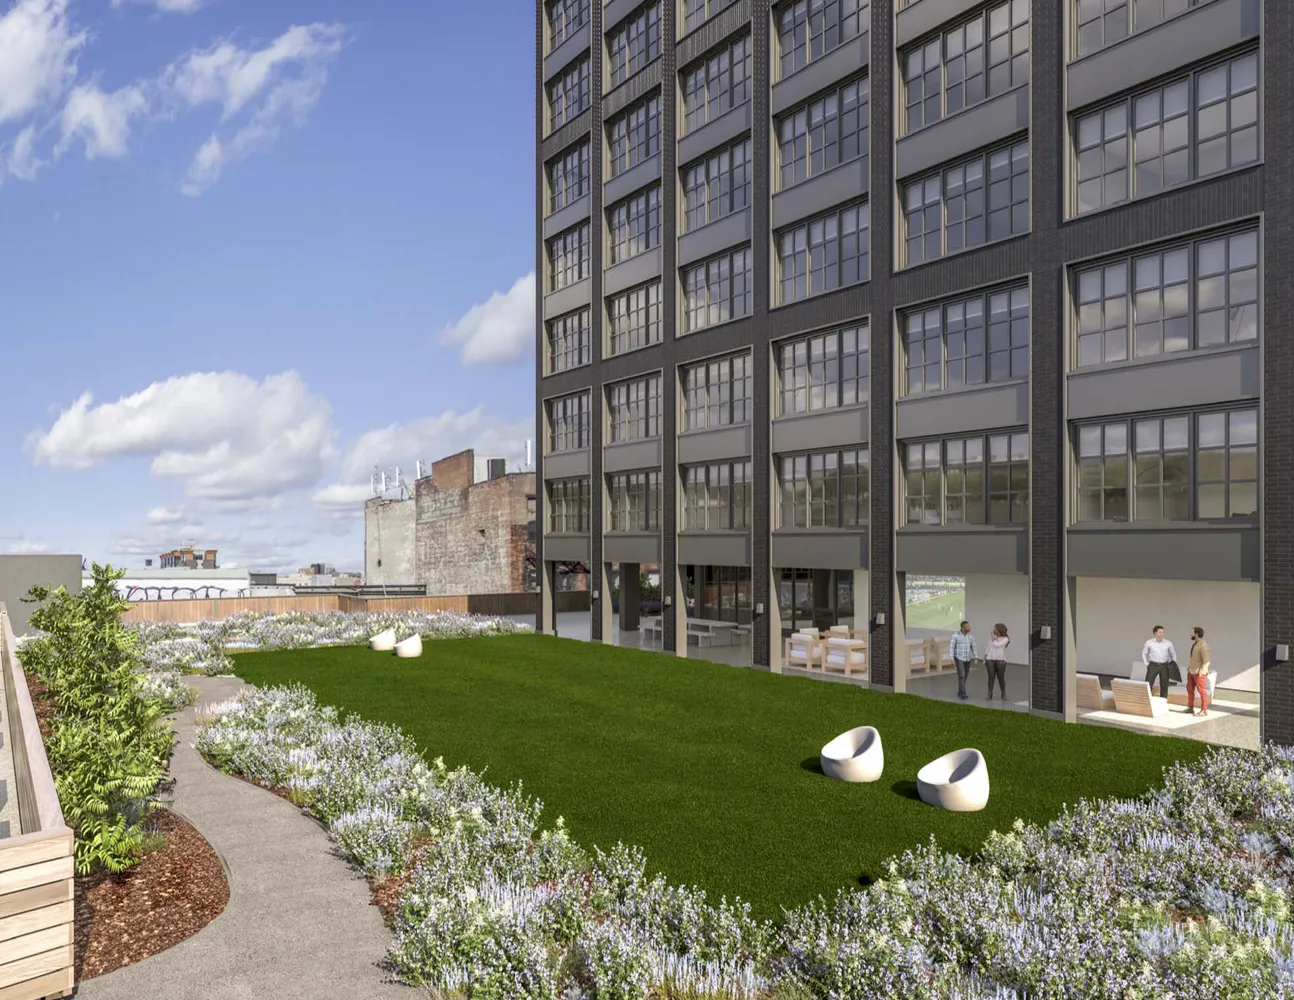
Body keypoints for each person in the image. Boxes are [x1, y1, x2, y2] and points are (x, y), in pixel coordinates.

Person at [1141, 625, 1176, 699]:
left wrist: (1173, 664)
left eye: (1163, 632)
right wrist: (1146, 664)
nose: (1162, 634)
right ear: (1155, 633)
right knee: (1148, 683)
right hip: (1153, 665)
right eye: (1160, 632)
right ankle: (1147, 700)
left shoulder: (1168, 643)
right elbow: (1144, 653)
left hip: (1164, 665)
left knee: (1164, 684)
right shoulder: (1149, 642)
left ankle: (1163, 700)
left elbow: (1173, 654)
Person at [1187, 626, 1212, 717]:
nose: (1191, 634)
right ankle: (1190, 707)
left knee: (1202, 691)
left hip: (1199, 672)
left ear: (1196, 634)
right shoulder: (1196, 643)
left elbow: (1206, 661)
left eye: (1192, 632)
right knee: (1190, 689)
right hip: (1191, 671)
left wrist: (1202, 671)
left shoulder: (1203, 645)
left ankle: (1204, 710)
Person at [949, 620, 977, 701]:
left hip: (967, 658)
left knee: (966, 674)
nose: (969, 628)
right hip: (959, 658)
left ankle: (960, 691)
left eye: (969, 626)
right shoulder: (955, 636)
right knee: (962, 675)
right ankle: (963, 693)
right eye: (968, 627)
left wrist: (975, 656)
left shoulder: (970, 636)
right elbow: (951, 647)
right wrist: (952, 659)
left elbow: (973, 646)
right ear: (963, 628)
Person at [985, 623, 1010, 701]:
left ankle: (1003, 694)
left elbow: (997, 645)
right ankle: (989, 694)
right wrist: (985, 657)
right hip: (990, 660)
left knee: (1001, 678)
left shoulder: (1005, 639)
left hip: (1000, 660)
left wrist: (993, 638)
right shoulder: (992, 638)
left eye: (995, 628)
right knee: (991, 677)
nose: (993, 630)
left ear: (999, 629)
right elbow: (988, 648)